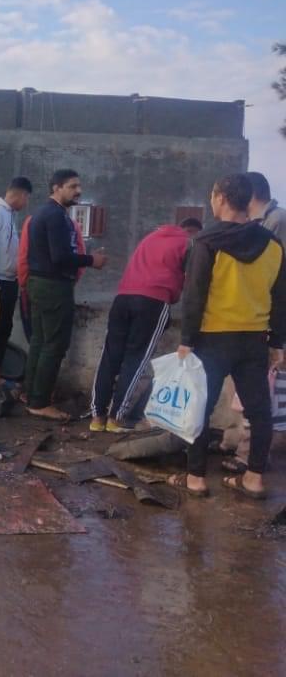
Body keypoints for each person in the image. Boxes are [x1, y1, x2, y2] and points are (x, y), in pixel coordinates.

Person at [168, 174, 286, 500]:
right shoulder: (273, 245)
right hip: (254, 339)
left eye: (212, 195)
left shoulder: (207, 242)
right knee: (259, 411)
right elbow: (280, 297)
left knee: (199, 409)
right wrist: (277, 342)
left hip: (212, 339)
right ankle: (254, 479)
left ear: (220, 198)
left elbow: (194, 295)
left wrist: (186, 339)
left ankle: (196, 478)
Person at [89, 217, 200, 433]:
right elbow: (193, 281)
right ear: (193, 231)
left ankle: (97, 416)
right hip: (153, 301)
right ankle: (116, 419)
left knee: (110, 357)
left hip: (123, 298)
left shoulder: (151, 238)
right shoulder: (188, 244)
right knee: (136, 359)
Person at [23, 169, 107, 421]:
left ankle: (30, 393)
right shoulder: (55, 216)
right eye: (72, 186)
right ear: (56, 188)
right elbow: (60, 257)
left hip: (39, 283)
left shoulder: (43, 213)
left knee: (39, 341)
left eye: (79, 186)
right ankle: (39, 401)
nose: (78, 191)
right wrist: (92, 260)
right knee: (54, 345)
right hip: (53, 286)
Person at [0, 177, 33, 388]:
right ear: (20, 194)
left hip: (10, 281)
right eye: (26, 198)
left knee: (4, 328)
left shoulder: (9, 215)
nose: (26, 203)